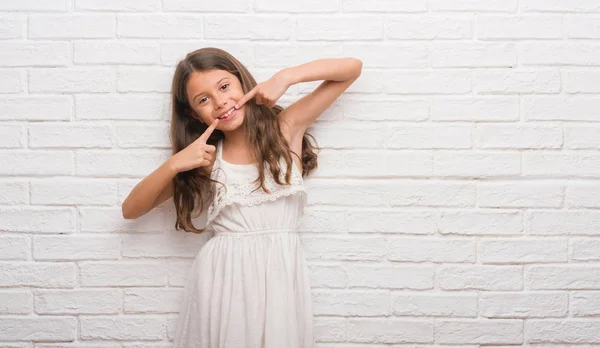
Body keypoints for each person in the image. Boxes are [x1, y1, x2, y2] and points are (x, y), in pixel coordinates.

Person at [122, 47, 362, 348]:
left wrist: (286, 77)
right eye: (203, 100)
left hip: (281, 276)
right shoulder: (207, 160)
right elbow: (130, 210)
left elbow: (352, 68)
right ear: (193, 114)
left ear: (242, 82)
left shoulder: (285, 129)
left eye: (224, 86)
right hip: (223, 281)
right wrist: (174, 164)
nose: (221, 102)